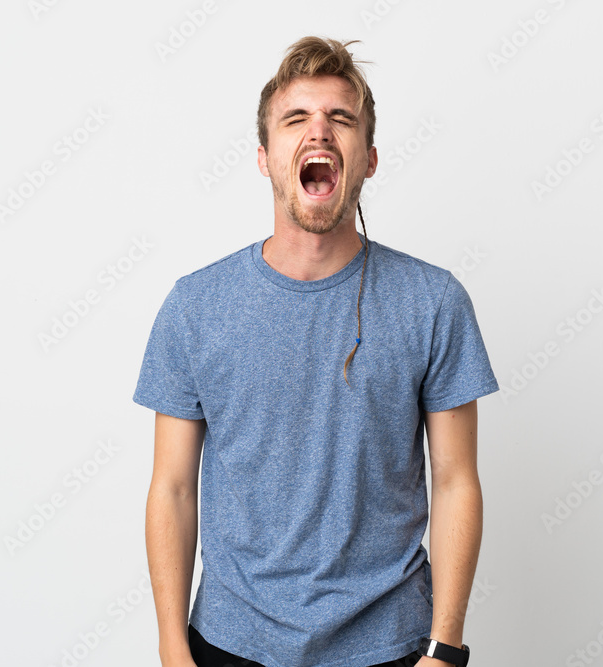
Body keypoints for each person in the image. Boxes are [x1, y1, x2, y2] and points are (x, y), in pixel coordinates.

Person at [135, 36, 498, 667]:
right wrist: (172, 647)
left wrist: (446, 648)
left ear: (371, 158)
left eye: (341, 119)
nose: (319, 133)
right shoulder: (195, 306)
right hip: (229, 645)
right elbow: (172, 488)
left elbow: (455, 480)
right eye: (296, 119)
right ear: (264, 156)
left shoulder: (434, 301)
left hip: (392, 646)